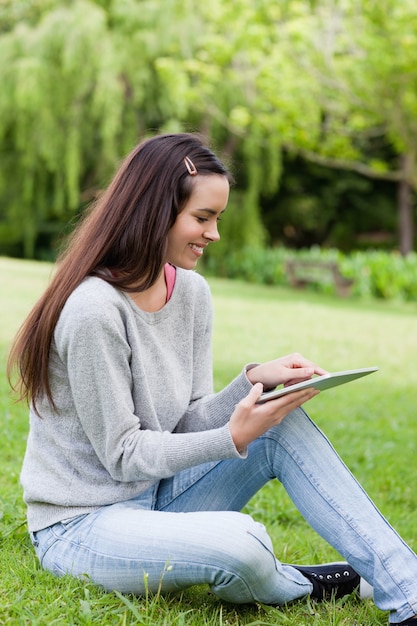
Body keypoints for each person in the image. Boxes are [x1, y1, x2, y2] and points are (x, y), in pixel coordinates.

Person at [7, 133, 417, 625]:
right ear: (154, 211)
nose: (214, 234)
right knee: (243, 545)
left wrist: (253, 383)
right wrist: (230, 438)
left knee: (279, 423)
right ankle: (299, 583)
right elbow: (124, 456)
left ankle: (409, 595)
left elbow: (184, 422)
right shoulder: (95, 310)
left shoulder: (193, 293)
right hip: (82, 525)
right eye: (202, 218)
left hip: (157, 499)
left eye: (216, 218)